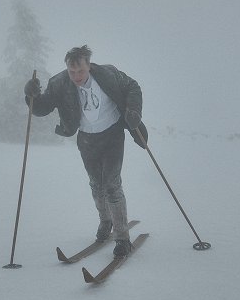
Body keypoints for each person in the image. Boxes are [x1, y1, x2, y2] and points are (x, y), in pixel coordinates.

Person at [24, 45, 148, 257]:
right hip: (87, 139)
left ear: (88, 65)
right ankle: (105, 221)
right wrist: (31, 95)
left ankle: (122, 238)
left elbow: (133, 87)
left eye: (80, 71)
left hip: (112, 135)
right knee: (96, 184)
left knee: (112, 185)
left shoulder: (108, 74)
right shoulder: (59, 83)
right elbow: (42, 108)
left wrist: (133, 110)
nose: (76, 76)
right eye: (72, 72)